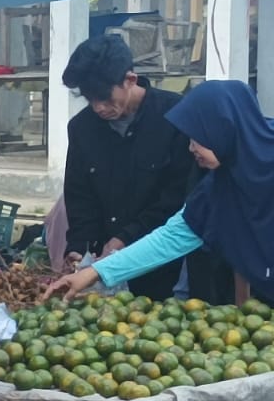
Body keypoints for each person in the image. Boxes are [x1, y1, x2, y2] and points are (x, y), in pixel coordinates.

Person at [45, 81, 274, 307]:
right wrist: (94, 272)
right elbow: (172, 237)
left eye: (198, 137)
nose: (191, 148)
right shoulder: (218, 186)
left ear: (223, 128)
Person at [59, 35, 193, 301]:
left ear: (129, 80)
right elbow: (79, 197)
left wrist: (125, 238)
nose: (99, 107)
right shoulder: (81, 128)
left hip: (163, 266)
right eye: (90, 98)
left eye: (105, 97)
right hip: (97, 270)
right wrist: (78, 247)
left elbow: (177, 197)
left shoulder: (176, 116)